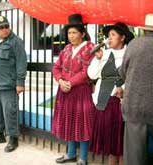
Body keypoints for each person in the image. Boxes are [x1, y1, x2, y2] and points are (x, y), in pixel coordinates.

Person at [88, 22, 134, 165]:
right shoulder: (105, 54)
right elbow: (92, 75)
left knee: (121, 144)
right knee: (110, 143)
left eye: (113, 35)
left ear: (122, 37)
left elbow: (134, 77)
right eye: (108, 36)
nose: (110, 38)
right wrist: (98, 59)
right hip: (104, 103)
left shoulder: (130, 55)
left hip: (121, 104)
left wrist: (125, 89)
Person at [52, 14, 95, 165]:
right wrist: (60, 80)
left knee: (82, 123)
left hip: (81, 92)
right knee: (69, 121)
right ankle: (70, 154)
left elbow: (87, 71)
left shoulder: (90, 48)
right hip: (65, 91)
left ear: (82, 33)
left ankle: (83, 157)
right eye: (69, 32)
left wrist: (69, 82)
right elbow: (56, 67)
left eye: (74, 32)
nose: (71, 35)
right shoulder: (66, 49)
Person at [0, 16, 27, 153]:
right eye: (1, 27)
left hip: (9, 85)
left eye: (6, 26)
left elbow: (21, 63)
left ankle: (13, 138)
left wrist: (20, 83)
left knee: (10, 112)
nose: (5, 29)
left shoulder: (16, 42)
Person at [119, 14, 153, 165]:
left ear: (145, 30)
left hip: (134, 107)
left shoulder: (134, 44)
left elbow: (123, 72)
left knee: (134, 158)